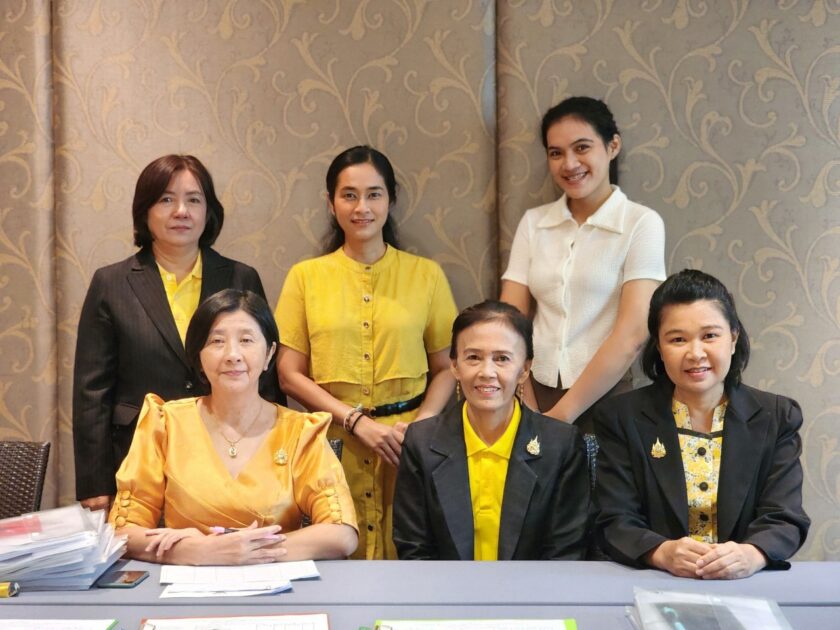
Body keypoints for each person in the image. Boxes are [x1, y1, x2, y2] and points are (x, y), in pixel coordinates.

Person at [275, 145, 458, 559]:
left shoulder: (426, 275)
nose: (362, 207)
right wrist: (356, 421)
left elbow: (447, 367)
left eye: (374, 194)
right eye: (349, 195)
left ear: (391, 200)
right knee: (338, 554)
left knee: (411, 554)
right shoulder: (305, 277)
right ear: (331, 203)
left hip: (407, 445)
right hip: (332, 443)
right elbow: (289, 374)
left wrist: (421, 426)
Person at [73, 154, 282, 510]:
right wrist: (95, 483)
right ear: (145, 211)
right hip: (137, 456)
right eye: (166, 199)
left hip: (229, 453)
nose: (181, 211)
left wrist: (276, 457)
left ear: (208, 211)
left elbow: (265, 375)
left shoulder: (240, 277)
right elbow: (91, 391)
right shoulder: (111, 283)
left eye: (194, 200)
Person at [109, 289, 358, 564]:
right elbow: (123, 531)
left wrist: (242, 550)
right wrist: (195, 551)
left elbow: (342, 533)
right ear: (199, 356)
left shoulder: (300, 431)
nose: (232, 354)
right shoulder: (165, 423)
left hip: (275, 584)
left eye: (246, 340)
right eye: (217, 341)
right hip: (188, 584)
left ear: (269, 353)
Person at [594, 270, 809, 579]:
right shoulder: (621, 417)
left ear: (733, 338)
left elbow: (785, 517)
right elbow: (614, 520)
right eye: (677, 339)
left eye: (709, 336)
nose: (695, 353)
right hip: (655, 581)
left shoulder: (776, 416)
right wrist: (661, 552)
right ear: (660, 347)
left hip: (744, 584)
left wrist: (751, 554)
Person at [500, 96, 666, 433]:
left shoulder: (641, 223)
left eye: (582, 148)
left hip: (607, 395)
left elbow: (633, 334)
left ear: (612, 146)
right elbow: (509, 322)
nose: (570, 164)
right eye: (556, 153)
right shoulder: (534, 223)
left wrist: (559, 418)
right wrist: (527, 404)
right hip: (531, 390)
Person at [393, 300, 590, 560]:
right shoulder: (421, 442)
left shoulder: (560, 445)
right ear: (455, 366)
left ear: (524, 369)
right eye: (473, 357)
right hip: (443, 585)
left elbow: (565, 553)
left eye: (502, 359)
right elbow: (414, 549)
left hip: (536, 586)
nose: (487, 372)